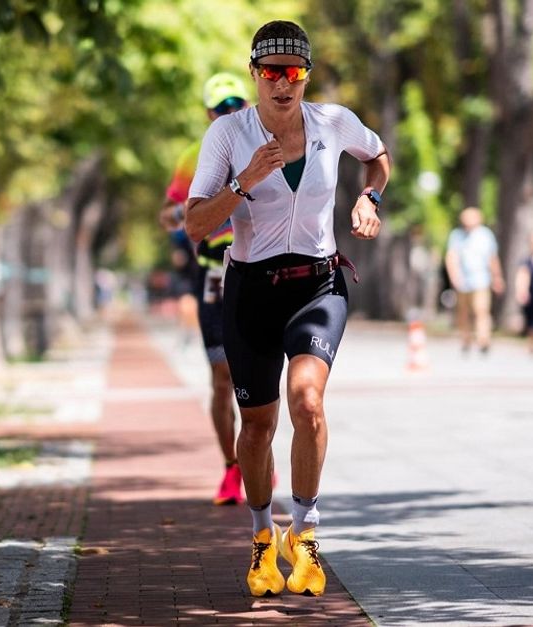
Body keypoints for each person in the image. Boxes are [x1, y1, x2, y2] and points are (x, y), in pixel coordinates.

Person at [185, 20, 390, 598]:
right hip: (251, 289)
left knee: (309, 401)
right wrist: (244, 183)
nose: (283, 84)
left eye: (294, 72)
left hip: (318, 285)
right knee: (257, 427)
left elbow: (377, 156)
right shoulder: (228, 135)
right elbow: (196, 225)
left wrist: (369, 197)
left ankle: (305, 537)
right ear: (255, 74)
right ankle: (260, 538)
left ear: (306, 75)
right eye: (271, 72)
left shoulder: (333, 121)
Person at [159, 72, 251, 506]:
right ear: (208, 113)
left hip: (258, 269)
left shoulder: (269, 148)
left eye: (237, 104)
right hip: (214, 272)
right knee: (221, 377)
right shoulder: (193, 156)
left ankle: (258, 467)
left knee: (261, 376)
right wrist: (184, 217)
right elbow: (168, 212)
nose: (230, 113)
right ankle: (231, 469)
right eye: (221, 107)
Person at [444, 207, 504, 354]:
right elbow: (451, 257)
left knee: (481, 310)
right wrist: (454, 276)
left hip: (481, 279)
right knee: (463, 312)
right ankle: (466, 339)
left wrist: (497, 277)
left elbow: (492, 258)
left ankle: (484, 339)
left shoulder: (485, 235)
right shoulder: (456, 235)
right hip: (463, 280)